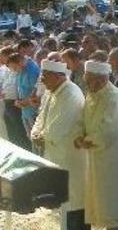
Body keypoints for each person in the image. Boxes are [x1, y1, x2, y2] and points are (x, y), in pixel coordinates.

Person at [75, 59, 118, 229]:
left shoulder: (115, 97)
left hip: (114, 158)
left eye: (89, 79)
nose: (87, 83)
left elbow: (109, 130)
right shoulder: (92, 94)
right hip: (95, 156)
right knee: (101, 197)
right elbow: (82, 119)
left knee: (116, 199)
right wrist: (78, 135)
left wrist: (88, 141)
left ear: (101, 79)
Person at [30, 59, 87, 230]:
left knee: (75, 200)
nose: (42, 79)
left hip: (70, 156)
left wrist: (43, 137)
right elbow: (41, 116)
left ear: (58, 76)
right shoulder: (50, 91)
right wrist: (35, 133)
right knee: (62, 200)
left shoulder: (72, 93)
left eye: (45, 75)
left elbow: (61, 124)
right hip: (55, 154)